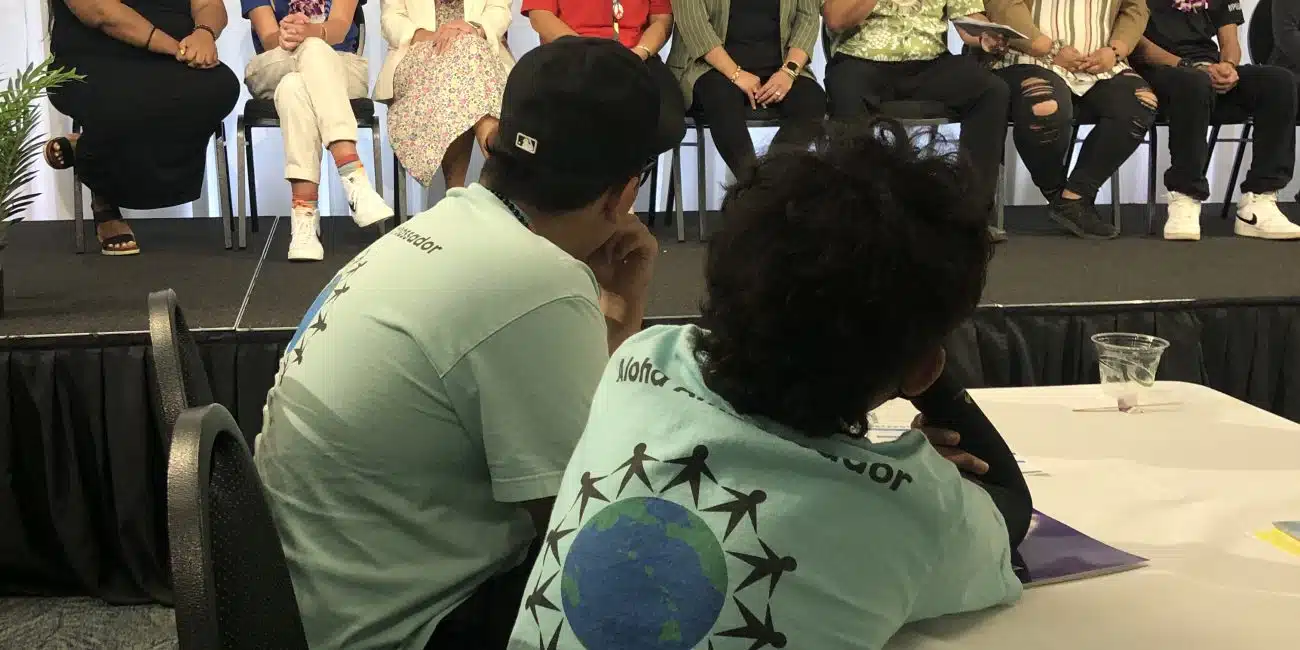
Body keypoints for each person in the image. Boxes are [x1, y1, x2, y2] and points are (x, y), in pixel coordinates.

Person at [506, 118, 1030, 650]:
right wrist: (917, 438)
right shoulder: (913, 512)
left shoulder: (639, 362)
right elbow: (1011, 504)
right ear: (924, 366)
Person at [254, 37, 679, 650]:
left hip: (304, 595)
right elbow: (593, 520)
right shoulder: (539, 284)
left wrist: (609, 308)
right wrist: (629, 304)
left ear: (492, 144)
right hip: (402, 628)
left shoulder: (441, 224)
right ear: (622, 194)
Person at [44, 0, 240, 255]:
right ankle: (105, 201)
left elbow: (209, 4)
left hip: (171, 62)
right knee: (128, 101)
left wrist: (204, 33)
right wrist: (175, 47)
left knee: (220, 88)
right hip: (95, 57)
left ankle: (85, 149)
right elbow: (100, 12)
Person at [821, 0, 1010, 217]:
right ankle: (856, 211)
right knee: (844, 87)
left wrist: (986, 35)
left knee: (992, 90)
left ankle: (972, 212)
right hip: (861, 61)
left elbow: (969, 19)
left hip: (930, 63)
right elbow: (835, 19)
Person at [986, 0, 1155, 240]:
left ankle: (1075, 196)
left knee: (1141, 103)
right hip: (1029, 57)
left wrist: (1115, 50)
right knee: (1045, 106)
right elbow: (1003, 5)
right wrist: (1048, 49)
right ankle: (1055, 190)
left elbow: (1135, 9)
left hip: (1100, 64)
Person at [1133, 0, 1300, 241]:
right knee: (1193, 82)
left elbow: (1230, 41)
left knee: (1279, 81)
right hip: (1158, 72)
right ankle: (1185, 196)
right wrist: (1187, 65)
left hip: (1208, 73)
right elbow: (1136, 43)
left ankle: (1259, 201)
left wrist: (1228, 66)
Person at [242, 0, 394, 263]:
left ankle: (304, 216)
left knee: (294, 86)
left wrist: (310, 32)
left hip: (340, 66)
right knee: (309, 52)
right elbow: (268, 38)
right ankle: (353, 177)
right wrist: (290, 34)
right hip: (277, 61)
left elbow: (339, 27)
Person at [666, 0, 825, 177]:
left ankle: (770, 181)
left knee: (812, 101)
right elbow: (694, 24)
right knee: (721, 97)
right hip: (708, 67)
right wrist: (736, 74)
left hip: (781, 65)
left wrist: (789, 71)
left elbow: (807, 18)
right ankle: (752, 182)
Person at [376, 0, 514, 189]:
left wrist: (476, 30)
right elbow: (391, 17)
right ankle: (493, 143)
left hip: (478, 53)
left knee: (467, 52)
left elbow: (499, 10)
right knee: (464, 59)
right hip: (419, 52)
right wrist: (430, 35)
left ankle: (455, 191)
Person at [522, 0, 687, 151]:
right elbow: (540, 15)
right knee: (571, 123)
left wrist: (639, 53)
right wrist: (585, 50)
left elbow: (661, 20)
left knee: (667, 125)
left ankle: (627, 170)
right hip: (570, 52)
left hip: (637, 56)